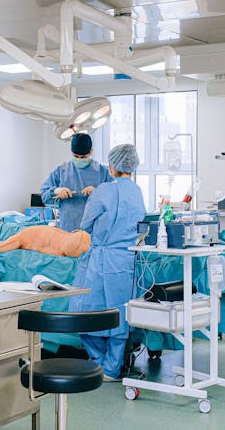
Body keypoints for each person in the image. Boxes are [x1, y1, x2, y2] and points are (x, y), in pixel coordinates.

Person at [68, 144, 146, 381]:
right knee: (120, 315)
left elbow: (85, 225)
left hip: (102, 260)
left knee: (83, 313)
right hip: (126, 260)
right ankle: (112, 367)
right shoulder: (137, 191)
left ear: (111, 166)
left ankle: (99, 363)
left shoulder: (103, 191)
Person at [39, 133, 113, 231]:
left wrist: (98, 192)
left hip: (95, 232)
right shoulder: (62, 171)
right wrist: (56, 191)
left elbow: (114, 199)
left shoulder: (102, 172)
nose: (79, 159)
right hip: (68, 229)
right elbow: (44, 195)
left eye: (83, 157)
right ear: (71, 152)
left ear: (91, 152)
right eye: (76, 156)